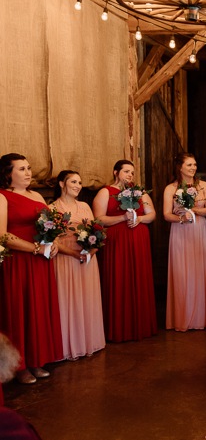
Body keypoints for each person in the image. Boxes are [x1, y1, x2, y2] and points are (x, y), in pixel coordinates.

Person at [0, 153, 63, 384]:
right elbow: (3, 235)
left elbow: (51, 226)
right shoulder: (3, 197)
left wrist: (53, 242)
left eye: (29, 168)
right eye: (22, 169)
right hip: (19, 261)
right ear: (8, 174)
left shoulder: (37, 195)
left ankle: (37, 359)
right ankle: (20, 366)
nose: (28, 173)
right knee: (20, 309)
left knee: (37, 307)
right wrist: (35, 248)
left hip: (41, 261)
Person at [93, 159, 157, 343]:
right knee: (119, 279)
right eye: (126, 171)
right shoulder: (106, 192)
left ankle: (141, 325)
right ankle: (118, 327)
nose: (130, 175)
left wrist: (140, 219)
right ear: (115, 172)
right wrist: (122, 217)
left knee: (139, 279)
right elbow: (98, 219)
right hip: (117, 243)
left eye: (132, 172)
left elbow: (152, 214)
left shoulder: (140, 192)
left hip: (139, 242)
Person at [50, 170, 106, 360]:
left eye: (80, 182)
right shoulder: (52, 208)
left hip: (87, 260)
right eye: (73, 181)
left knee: (87, 299)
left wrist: (92, 250)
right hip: (66, 260)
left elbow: (96, 232)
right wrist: (73, 253)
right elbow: (52, 241)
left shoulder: (85, 206)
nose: (78, 185)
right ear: (61, 184)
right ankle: (69, 346)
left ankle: (89, 340)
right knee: (68, 301)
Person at [163, 153, 206, 331]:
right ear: (180, 167)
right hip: (180, 230)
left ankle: (201, 317)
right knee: (181, 272)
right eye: (189, 165)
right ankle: (181, 317)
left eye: (195, 165)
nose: (193, 168)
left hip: (199, 230)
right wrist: (182, 218)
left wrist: (194, 210)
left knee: (199, 270)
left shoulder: (204, 186)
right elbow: (166, 214)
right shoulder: (171, 188)